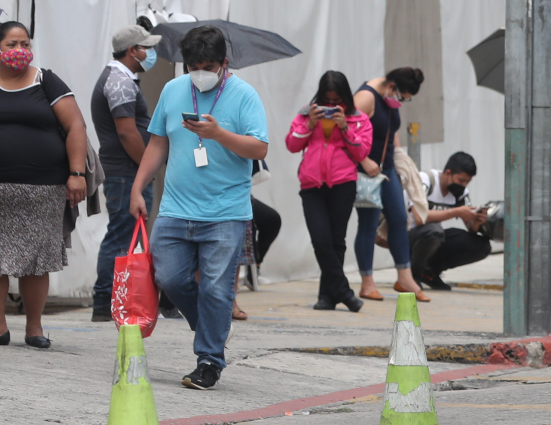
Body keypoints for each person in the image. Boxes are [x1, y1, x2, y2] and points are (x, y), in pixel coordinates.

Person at [131, 23, 269, 390]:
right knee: (169, 278)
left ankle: (209, 360)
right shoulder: (173, 90)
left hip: (226, 212)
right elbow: (158, 143)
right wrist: (137, 187)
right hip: (175, 207)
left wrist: (218, 134)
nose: (200, 74)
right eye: (193, 67)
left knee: (216, 290)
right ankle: (212, 326)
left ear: (223, 63)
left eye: (208, 66)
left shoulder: (243, 95)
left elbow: (260, 149)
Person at [0, 21, 87, 350]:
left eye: (24, 43)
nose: (18, 50)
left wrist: (77, 173)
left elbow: (76, 126)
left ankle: (34, 327)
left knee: (36, 259)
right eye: (11, 44)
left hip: (41, 190)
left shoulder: (47, 82)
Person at [89, 24, 160, 322]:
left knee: (124, 234)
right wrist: (147, 167)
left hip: (126, 171)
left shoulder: (123, 78)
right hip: (126, 172)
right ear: (133, 51)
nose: (151, 53)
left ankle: (111, 298)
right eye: (147, 47)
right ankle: (105, 301)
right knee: (121, 236)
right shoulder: (119, 81)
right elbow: (127, 132)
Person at [286, 70, 369, 312]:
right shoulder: (306, 114)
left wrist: (345, 128)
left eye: (337, 102)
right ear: (320, 96)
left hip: (343, 183)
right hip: (312, 185)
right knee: (321, 240)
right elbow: (291, 144)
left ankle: (327, 296)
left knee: (336, 241)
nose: (332, 106)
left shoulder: (358, 119)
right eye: (327, 101)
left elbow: (361, 153)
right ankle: (343, 291)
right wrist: (310, 124)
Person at [353, 67, 426, 303]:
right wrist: (363, 160)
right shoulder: (366, 97)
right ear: (392, 87)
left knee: (398, 219)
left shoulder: (389, 99)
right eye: (403, 97)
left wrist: (400, 156)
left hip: (387, 168)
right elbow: (345, 132)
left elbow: (390, 130)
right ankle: (367, 283)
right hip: (366, 171)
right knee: (368, 224)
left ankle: (405, 278)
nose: (402, 101)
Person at [409, 152, 492, 290]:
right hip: (407, 235)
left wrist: (477, 221)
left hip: (431, 237)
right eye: (461, 181)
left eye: (467, 182)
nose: (463, 185)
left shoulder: (460, 193)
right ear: (448, 173)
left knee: (481, 245)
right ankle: (413, 277)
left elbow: (471, 229)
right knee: (434, 231)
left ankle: (430, 272)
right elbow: (419, 217)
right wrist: (454, 212)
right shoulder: (426, 180)